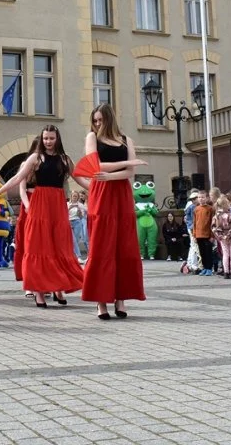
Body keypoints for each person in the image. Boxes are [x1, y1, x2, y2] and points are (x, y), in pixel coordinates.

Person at [0, 125, 88, 310]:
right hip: (40, 204)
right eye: (45, 138)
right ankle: (38, 292)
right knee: (38, 246)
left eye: (51, 138)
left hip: (58, 205)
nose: (48, 141)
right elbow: (17, 178)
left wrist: (100, 188)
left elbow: (80, 179)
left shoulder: (64, 159)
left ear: (57, 139)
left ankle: (58, 287)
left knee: (58, 246)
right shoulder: (35, 158)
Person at [82, 104, 147, 319]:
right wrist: (126, 162)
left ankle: (120, 299)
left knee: (124, 246)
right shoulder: (92, 137)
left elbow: (130, 172)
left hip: (121, 192)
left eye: (101, 120)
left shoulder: (126, 140)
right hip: (101, 193)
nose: (98, 124)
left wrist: (111, 174)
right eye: (95, 120)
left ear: (110, 119)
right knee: (102, 245)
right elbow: (94, 165)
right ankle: (101, 302)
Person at [12, 136, 39, 292]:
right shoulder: (25, 164)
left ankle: (41, 280)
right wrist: (28, 205)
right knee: (27, 242)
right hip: (28, 201)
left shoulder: (45, 164)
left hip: (42, 199)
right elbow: (22, 188)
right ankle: (28, 281)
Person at [212, 195, 231, 279]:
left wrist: (221, 237)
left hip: (222, 238)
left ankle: (226, 272)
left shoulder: (216, 216)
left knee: (225, 255)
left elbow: (213, 228)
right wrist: (228, 235)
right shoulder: (230, 215)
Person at [193, 191, 214, 276]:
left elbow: (212, 222)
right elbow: (194, 223)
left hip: (207, 234)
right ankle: (204, 267)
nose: (201, 199)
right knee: (202, 253)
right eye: (199, 197)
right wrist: (194, 234)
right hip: (199, 234)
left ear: (206, 198)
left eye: (203, 197)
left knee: (208, 252)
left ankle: (209, 268)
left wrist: (212, 235)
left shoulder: (210, 209)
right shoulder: (196, 209)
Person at [67, 191, 87, 260]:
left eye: (76, 196)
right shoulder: (67, 204)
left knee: (76, 240)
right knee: (73, 240)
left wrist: (80, 213)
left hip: (77, 222)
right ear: (71, 197)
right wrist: (70, 208)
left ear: (78, 197)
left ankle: (73, 256)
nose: (74, 197)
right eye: (73, 196)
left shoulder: (79, 205)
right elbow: (63, 213)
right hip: (69, 222)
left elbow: (83, 215)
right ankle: (78, 256)